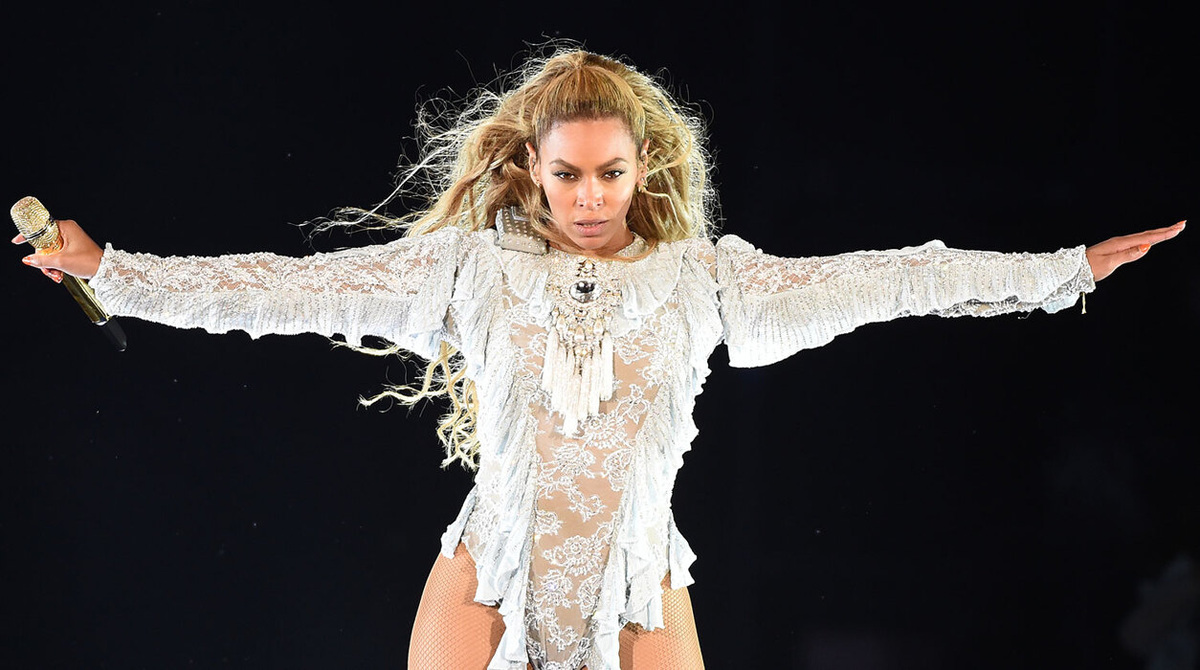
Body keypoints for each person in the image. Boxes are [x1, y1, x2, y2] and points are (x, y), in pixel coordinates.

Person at [13, 48, 1185, 670]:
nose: (588, 197)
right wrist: (114, 270)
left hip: (637, 585)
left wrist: (1062, 268)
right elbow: (272, 291)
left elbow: (897, 278)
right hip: (486, 581)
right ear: (530, 168)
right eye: (568, 174)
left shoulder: (709, 282)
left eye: (610, 174)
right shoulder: (466, 272)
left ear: (643, 169)